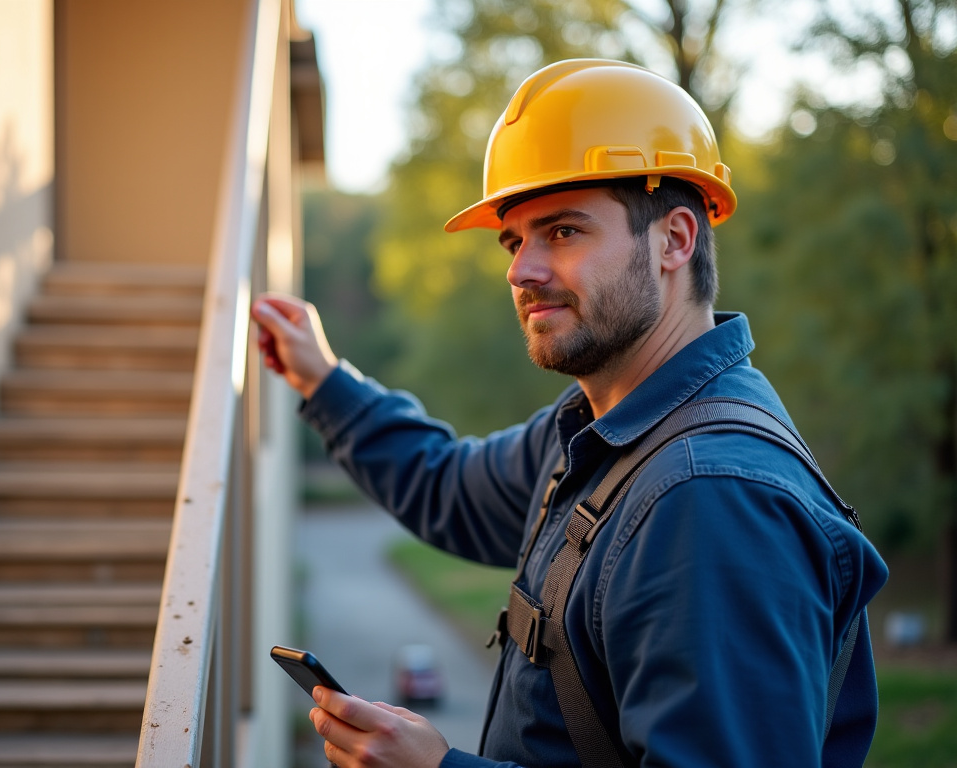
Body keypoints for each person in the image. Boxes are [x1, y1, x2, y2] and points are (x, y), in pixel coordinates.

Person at [251, 59, 888, 768]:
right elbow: (445, 485)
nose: (520, 271)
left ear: (675, 240)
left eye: (562, 231)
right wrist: (323, 379)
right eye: (514, 239)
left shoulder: (711, 500)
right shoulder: (604, 430)